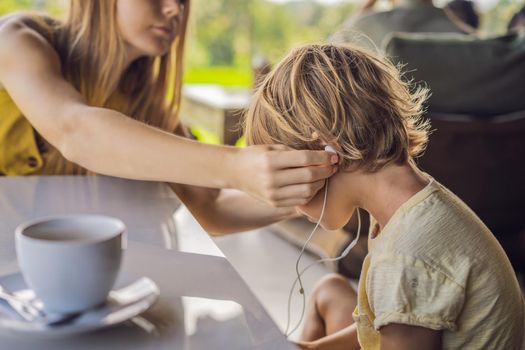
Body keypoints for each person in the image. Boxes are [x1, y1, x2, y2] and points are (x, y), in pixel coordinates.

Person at [244, 44, 525, 349]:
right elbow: (389, 327)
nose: (289, 203)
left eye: (287, 176)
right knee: (330, 290)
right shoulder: (417, 206)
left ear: (324, 151)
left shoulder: (406, 256)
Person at [0, 0, 338, 235]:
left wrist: (310, 188)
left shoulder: (150, 110)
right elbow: (74, 130)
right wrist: (235, 167)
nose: (174, 9)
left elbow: (210, 210)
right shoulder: (17, 39)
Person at [330, 0, 467, 50]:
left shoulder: (362, 24)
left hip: (383, 113)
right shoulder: (462, 35)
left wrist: (363, 8)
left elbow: (329, 52)